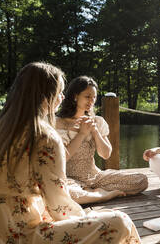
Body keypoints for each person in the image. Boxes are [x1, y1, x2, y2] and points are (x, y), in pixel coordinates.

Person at [0, 63, 143, 244]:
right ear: (46, 96)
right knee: (119, 222)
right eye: (59, 92)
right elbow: (60, 207)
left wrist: (93, 132)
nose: (62, 98)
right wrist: (89, 218)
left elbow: (106, 154)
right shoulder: (45, 135)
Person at [56, 76, 148, 204]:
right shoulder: (58, 123)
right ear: (75, 96)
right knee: (64, 192)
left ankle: (89, 192)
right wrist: (82, 134)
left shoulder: (98, 121)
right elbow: (62, 157)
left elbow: (105, 154)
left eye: (94, 97)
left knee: (141, 180)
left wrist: (95, 131)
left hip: (95, 177)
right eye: (87, 96)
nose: (91, 101)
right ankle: (101, 195)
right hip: (69, 178)